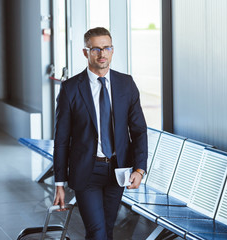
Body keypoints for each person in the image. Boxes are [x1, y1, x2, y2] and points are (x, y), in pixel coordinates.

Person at [53, 27, 148, 240]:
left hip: (118, 169)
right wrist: (59, 183)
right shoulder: (70, 88)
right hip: (87, 171)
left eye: (107, 48)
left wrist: (140, 169)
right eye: (96, 49)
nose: (102, 54)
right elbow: (61, 139)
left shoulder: (126, 84)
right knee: (97, 232)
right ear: (85, 52)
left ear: (112, 50)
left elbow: (139, 131)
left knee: (106, 230)